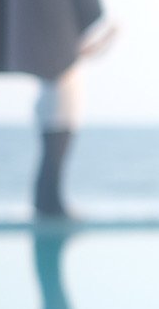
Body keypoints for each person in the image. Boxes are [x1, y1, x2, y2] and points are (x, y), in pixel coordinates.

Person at [34, 22, 116, 220]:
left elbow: (86, 52)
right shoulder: (57, 48)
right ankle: (49, 206)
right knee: (53, 159)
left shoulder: (56, 46)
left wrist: (107, 39)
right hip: (57, 109)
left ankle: (48, 204)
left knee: (54, 159)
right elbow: (85, 52)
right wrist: (108, 37)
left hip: (60, 109)